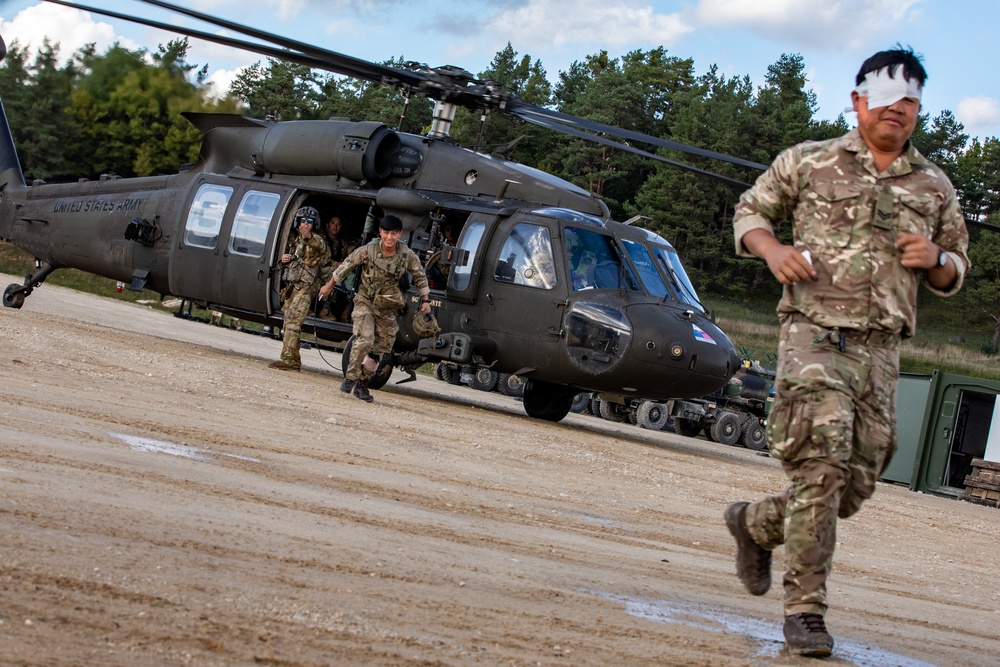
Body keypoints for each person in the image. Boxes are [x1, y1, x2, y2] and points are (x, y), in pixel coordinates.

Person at [726, 46, 969, 658]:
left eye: (910, 100)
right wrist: (772, 251)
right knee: (822, 468)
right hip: (814, 338)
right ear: (859, 100)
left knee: (855, 484)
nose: (899, 109)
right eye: (888, 98)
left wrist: (938, 260)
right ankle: (805, 612)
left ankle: (755, 524)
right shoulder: (809, 163)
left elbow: (957, 265)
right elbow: (751, 211)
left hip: (883, 353)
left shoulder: (934, 185)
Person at [318, 214, 431, 402]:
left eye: (393, 234)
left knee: (380, 348)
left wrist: (425, 300)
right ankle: (351, 377)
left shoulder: (406, 254)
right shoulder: (368, 250)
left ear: (400, 234)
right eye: (386, 233)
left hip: (387, 306)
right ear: (380, 232)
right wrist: (329, 286)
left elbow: (419, 276)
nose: (389, 237)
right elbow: (347, 266)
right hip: (366, 301)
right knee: (365, 339)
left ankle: (362, 384)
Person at [269, 206, 330, 371]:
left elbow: (319, 246)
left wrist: (308, 236)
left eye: (310, 222)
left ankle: (288, 360)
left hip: (306, 288)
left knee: (294, 324)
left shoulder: (318, 240)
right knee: (288, 323)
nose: (306, 224)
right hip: (293, 287)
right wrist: (284, 259)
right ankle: (292, 360)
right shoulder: (295, 241)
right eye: (303, 221)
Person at [318, 215, 355, 321]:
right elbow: (321, 260)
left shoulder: (342, 243)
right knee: (335, 274)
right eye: (333, 223)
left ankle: (347, 310)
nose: (335, 226)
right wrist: (337, 265)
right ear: (327, 225)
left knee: (352, 277)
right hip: (319, 269)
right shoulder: (320, 238)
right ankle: (325, 309)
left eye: (338, 224)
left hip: (337, 269)